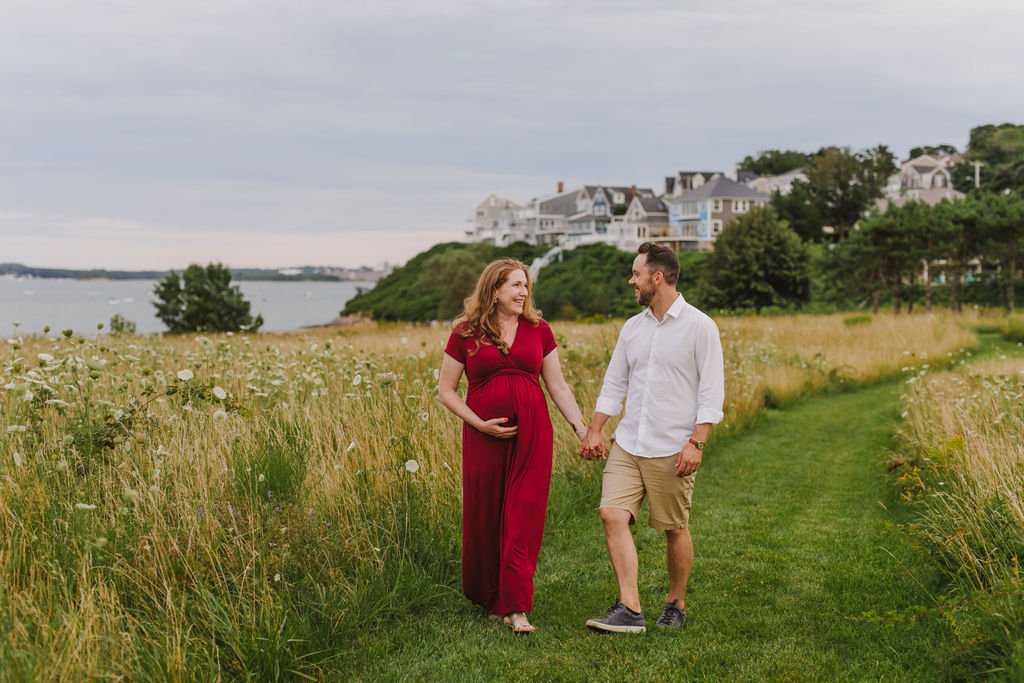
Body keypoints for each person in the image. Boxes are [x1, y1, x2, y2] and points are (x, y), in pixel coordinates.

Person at [579, 242, 724, 634]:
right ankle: (630, 606)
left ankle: (676, 602)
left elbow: (711, 392)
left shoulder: (700, 326)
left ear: (656, 278)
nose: (632, 280)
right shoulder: (633, 327)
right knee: (611, 513)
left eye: (636, 274)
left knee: (673, 527)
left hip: (672, 446)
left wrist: (696, 441)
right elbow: (615, 383)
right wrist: (596, 428)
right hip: (629, 442)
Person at [438, 258, 587, 635]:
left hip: (533, 436)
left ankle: (516, 606)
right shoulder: (466, 333)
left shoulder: (539, 330)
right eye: (516, 285)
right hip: (482, 437)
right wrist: (479, 423)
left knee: (523, 515)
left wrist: (583, 429)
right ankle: (491, 596)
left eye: (526, 286)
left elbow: (557, 386)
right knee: (486, 514)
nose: (524, 293)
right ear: (495, 289)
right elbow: (445, 391)